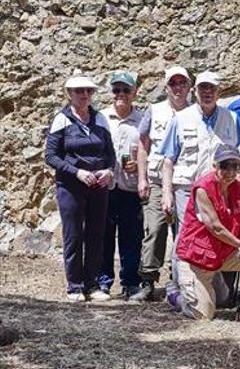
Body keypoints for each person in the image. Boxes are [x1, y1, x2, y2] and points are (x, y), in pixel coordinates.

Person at [172, 144, 240, 327]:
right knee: (203, 315)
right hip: (196, 257)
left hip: (222, 253)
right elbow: (215, 228)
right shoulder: (203, 188)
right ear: (215, 166)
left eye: (235, 166)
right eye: (224, 166)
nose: (230, 171)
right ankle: (176, 296)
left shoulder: (239, 189)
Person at [160, 71, 240, 292]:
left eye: (212, 89)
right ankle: (180, 288)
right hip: (187, 188)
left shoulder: (231, 119)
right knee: (185, 237)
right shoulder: (180, 118)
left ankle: (214, 287)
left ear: (219, 92)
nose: (207, 93)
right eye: (203, 88)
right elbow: (168, 160)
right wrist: (167, 193)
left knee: (218, 235)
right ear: (194, 91)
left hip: (219, 188)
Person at [45, 71, 116, 302]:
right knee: (73, 235)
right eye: (79, 91)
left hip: (98, 185)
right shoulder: (62, 120)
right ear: (69, 94)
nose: (84, 95)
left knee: (96, 234)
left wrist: (109, 170)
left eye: (88, 91)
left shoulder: (100, 119)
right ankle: (74, 286)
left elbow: (110, 153)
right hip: (71, 186)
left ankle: (92, 284)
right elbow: (51, 156)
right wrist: (77, 172)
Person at [132, 66, 191, 302]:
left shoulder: (195, 113)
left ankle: (178, 280)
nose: (178, 88)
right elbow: (143, 145)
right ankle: (147, 280)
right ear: (166, 87)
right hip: (157, 180)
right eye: (173, 84)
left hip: (184, 182)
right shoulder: (154, 111)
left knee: (184, 233)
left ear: (189, 87)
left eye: (182, 83)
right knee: (155, 230)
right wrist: (142, 178)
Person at [97, 71, 144, 299]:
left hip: (130, 187)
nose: (121, 94)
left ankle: (130, 282)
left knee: (131, 237)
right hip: (105, 187)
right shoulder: (101, 117)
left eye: (126, 90)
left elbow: (150, 151)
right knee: (104, 236)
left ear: (135, 92)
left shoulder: (143, 120)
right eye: (116, 90)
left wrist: (139, 166)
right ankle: (103, 281)